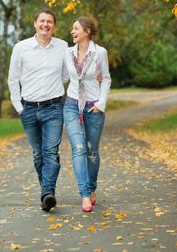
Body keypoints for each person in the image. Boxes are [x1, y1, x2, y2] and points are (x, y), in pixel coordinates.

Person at [8, 8, 68, 212]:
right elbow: (13, 79)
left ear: (54, 25)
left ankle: (47, 193)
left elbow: (66, 75)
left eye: (50, 21)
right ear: (35, 23)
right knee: (37, 154)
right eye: (42, 21)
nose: (46, 24)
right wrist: (18, 107)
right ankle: (47, 191)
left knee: (50, 151)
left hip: (53, 107)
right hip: (29, 109)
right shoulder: (21, 47)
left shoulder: (62, 46)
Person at [63, 17, 111, 212]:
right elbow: (64, 76)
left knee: (92, 151)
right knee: (79, 148)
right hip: (72, 105)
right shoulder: (68, 53)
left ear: (87, 31)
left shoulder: (100, 53)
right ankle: (84, 194)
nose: (72, 32)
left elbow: (106, 79)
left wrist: (101, 104)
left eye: (75, 28)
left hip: (93, 107)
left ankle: (92, 188)